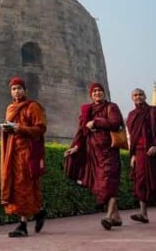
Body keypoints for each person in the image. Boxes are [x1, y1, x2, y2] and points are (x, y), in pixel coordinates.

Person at [64, 82, 124, 230]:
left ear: (104, 93)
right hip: (94, 152)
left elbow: (116, 123)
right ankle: (116, 216)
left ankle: (108, 217)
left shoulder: (111, 107)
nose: (97, 93)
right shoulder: (87, 110)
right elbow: (82, 131)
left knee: (110, 181)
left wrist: (96, 122)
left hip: (109, 151)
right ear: (91, 95)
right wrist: (75, 147)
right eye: (94, 91)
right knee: (102, 183)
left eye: (99, 91)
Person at [0, 76, 47, 238]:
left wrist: (20, 129)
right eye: (13, 89)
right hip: (12, 152)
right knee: (14, 186)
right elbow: (11, 130)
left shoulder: (32, 107)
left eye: (19, 88)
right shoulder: (10, 108)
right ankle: (39, 212)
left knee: (23, 186)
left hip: (27, 153)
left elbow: (40, 129)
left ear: (25, 90)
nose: (16, 91)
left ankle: (23, 224)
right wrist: (7, 129)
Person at [125, 88, 156, 224]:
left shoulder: (155, 111)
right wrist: (133, 154)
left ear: (145, 96)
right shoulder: (132, 115)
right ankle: (143, 213)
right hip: (140, 152)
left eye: (140, 94)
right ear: (132, 98)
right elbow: (133, 137)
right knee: (140, 182)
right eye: (135, 95)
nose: (138, 97)